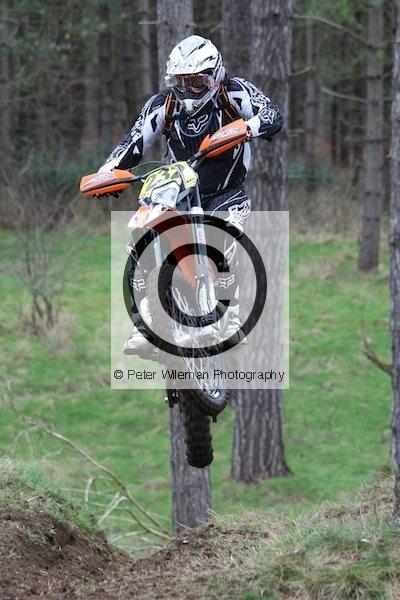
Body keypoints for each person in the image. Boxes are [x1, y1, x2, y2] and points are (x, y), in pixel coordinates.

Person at [98, 35, 283, 355]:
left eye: (197, 81)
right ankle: (143, 324)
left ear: (214, 74)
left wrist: (249, 127)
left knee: (224, 239)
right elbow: (133, 142)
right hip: (181, 189)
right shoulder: (163, 104)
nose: (189, 89)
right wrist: (107, 174)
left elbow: (271, 114)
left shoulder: (234, 92)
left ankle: (229, 316)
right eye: (181, 81)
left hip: (226, 191)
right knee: (142, 237)